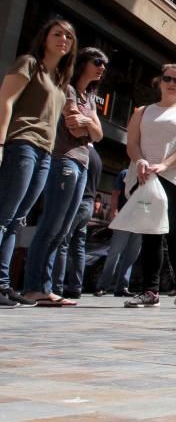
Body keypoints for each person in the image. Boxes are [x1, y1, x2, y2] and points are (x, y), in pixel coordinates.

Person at [0, 19, 77, 308]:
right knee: (4, 216)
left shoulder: (59, 79)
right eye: (57, 34)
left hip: (45, 153)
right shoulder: (29, 63)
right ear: (44, 37)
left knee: (17, 221)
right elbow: (5, 101)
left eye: (68, 36)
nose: (63, 39)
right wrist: (0, 143)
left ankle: (3, 284)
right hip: (22, 144)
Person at [23, 46, 106, 306]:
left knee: (62, 231)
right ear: (83, 63)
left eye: (105, 64)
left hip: (80, 164)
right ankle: (34, 287)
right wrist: (87, 127)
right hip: (64, 161)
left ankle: (45, 288)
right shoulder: (68, 88)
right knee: (51, 225)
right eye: (97, 62)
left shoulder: (89, 97)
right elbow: (72, 123)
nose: (102, 67)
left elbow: (98, 135)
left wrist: (89, 126)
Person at [124, 64, 176, 309]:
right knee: (150, 234)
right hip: (147, 177)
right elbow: (132, 143)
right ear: (158, 81)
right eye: (167, 78)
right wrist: (140, 162)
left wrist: (164, 164)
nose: (171, 83)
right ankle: (149, 290)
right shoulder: (142, 112)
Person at [53, 144, 103, 299]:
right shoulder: (97, 157)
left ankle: (56, 287)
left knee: (62, 243)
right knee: (78, 247)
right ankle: (75, 287)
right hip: (88, 204)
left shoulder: (81, 152)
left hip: (78, 201)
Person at [95, 169, 141, 297]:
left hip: (140, 220)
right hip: (123, 217)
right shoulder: (125, 174)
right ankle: (103, 286)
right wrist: (113, 211)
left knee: (132, 255)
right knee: (115, 252)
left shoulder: (151, 176)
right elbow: (116, 193)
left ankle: (122, 287)